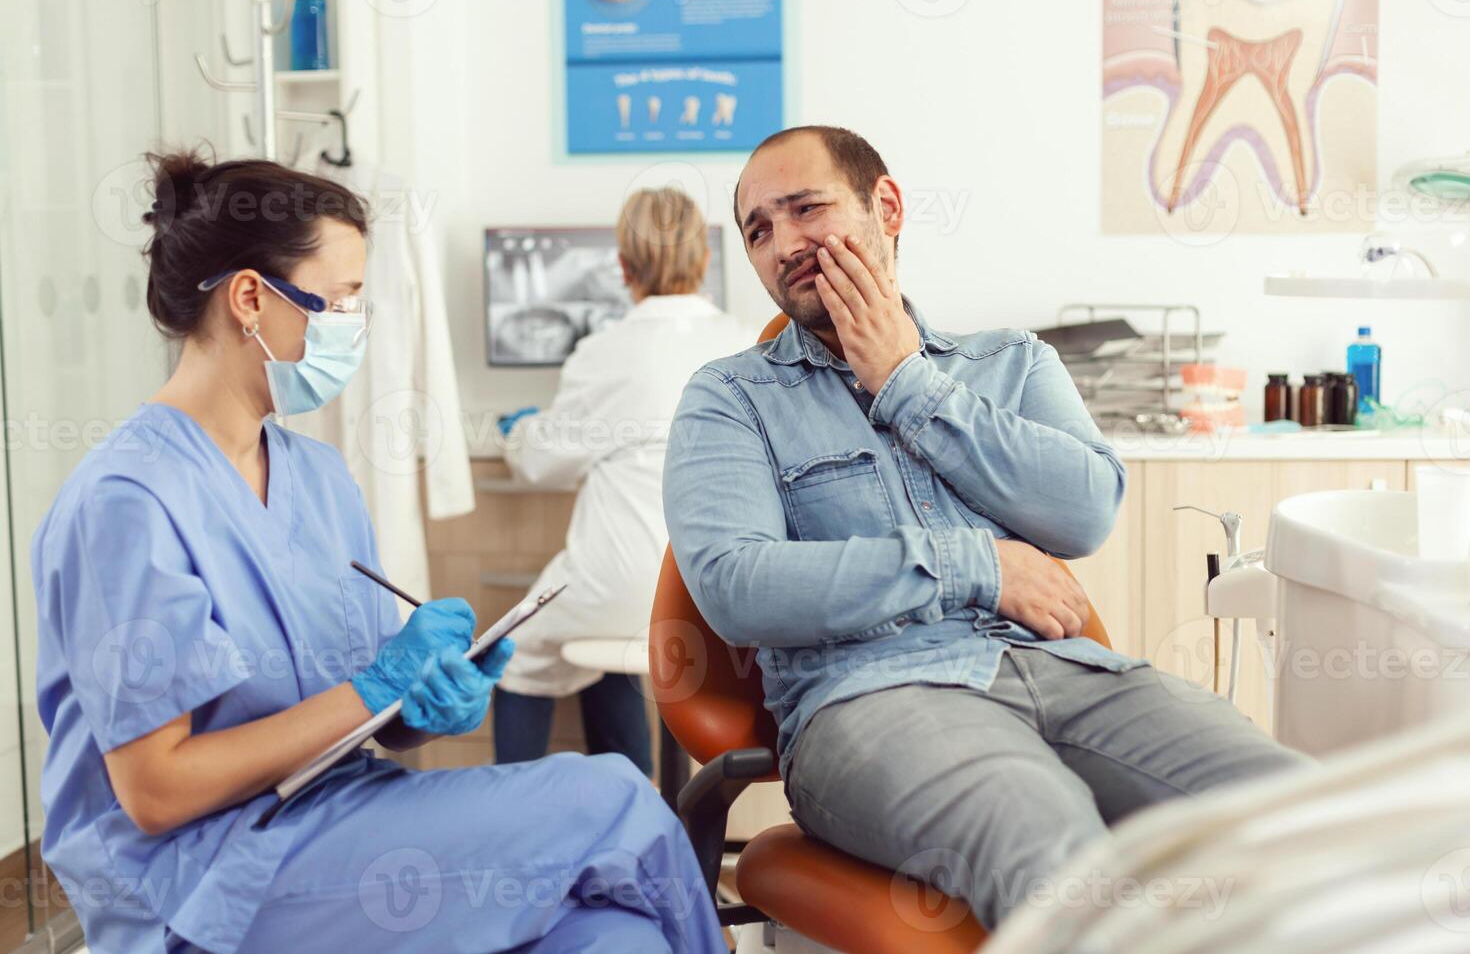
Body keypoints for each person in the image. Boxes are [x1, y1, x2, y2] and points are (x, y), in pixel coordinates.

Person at [32, 151, 725, 954]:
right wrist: (376, 687)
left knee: (614, 936)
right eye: (339, 301)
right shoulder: (128, 501)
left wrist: (417, 701)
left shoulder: (319, 480)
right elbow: (154, 791)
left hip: (342, 822)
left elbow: (355, 717)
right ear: (250, 299)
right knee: (608, 794)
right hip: (206, 878)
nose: (353, 329)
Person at [662, 125, 1310, 930]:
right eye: (759, 230)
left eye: (805, 209)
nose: (783, 243)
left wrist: (905, 381)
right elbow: (735, 586)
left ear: (886, 207)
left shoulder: (1012, 362)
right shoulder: (731, 398)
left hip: (1066, 673)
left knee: (1302, 815)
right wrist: (974, 566)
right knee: (1054, 848)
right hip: (869, 700)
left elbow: (1085, 511)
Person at [495, 187, 750, 772]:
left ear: (622, 265)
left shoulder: (603, 351)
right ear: (706, 259)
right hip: (715, 595)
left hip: (619, 584)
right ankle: (640, 812)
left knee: (515, 655)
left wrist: (523, 431)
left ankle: (515, 821)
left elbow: (543, 464)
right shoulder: (744, 345)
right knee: (607, 655)